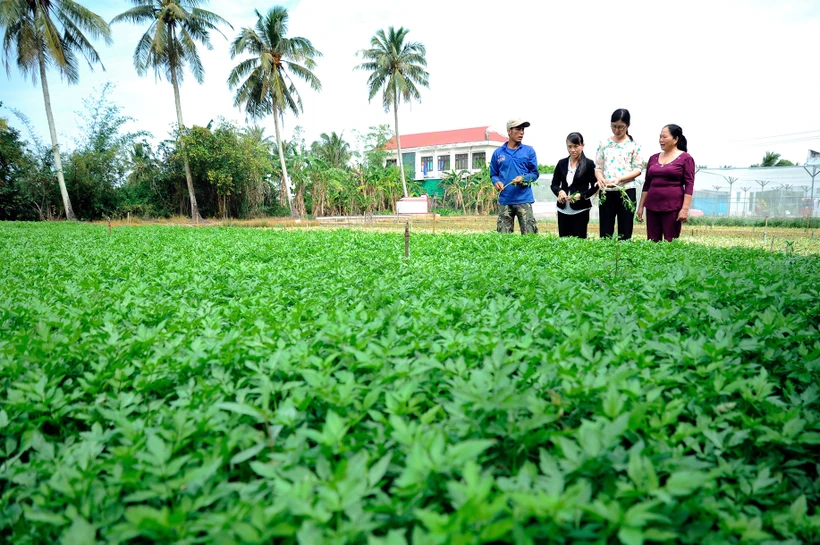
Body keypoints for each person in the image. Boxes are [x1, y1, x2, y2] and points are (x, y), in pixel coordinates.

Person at [636, 124, 695, 241]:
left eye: (664, 137)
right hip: (652, 206)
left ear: (676, 139)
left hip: (673, 207)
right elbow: (647, 184)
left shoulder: (686, 158)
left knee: (670, 241)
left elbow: (689, 185)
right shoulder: (653, 158)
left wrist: (684, 209)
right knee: (652, 242)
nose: (661, 140)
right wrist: (641, 206)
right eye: (660, 137)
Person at [594, 108, 643, 239]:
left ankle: (623, 258)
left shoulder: (634, 145)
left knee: (625, 230)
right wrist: (600, 178)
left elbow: (638, 169)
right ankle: (604, 257)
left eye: (621, 127)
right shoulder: (604, 144)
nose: (617, 130)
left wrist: (620, 179)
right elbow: (598, 167)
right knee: (605, 232)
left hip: (626, 191)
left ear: (628, 126)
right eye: (614, 126)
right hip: (606, 191)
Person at [491, 118, 540, 234]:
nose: (521, 132)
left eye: (523, 129)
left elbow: (534, 174)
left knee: (530, 236)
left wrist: (524, 179)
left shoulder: (529, 151)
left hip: (524, 200)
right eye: (518, 129)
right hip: (505, 200)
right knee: (503, 239)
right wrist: (496, 182)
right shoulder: (498, 153)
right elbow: (494, 174)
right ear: (509, 131)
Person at [551, 132, 598, 238]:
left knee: (579, 243)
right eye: (570, 146)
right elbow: (554, 184)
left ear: (582, 146)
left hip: (581, 209)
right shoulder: (561, 163)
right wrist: (559, 191)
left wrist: (580, 196)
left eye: (576, 146)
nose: (573, 150)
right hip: (563, 209)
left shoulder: (589, 164)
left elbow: (595, 186)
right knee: (563, 242)